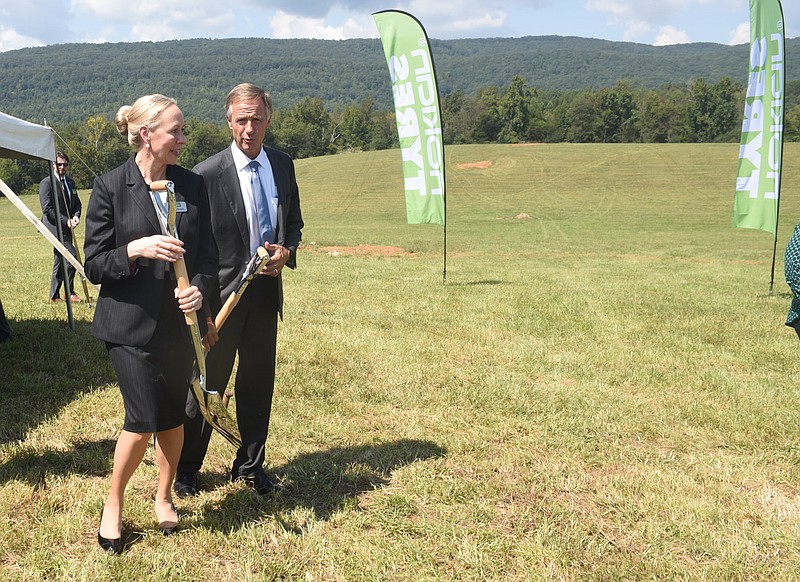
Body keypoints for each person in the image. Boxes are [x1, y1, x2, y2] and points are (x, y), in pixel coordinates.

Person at [83, 94, 218, 553]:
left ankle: (163, 497)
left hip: (178, 327)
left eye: (182, 130)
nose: (183, 138)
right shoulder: (110, 187)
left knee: (171, 416)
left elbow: (207, 256)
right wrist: (135, 250)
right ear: (147, 134)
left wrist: (199, 290)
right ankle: (114, 502)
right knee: (141, 421)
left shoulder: (192, 185)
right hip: (127, 327)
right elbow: (95, 265)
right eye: (175, 131)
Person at [174, 83, 303, 497]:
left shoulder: (282, 165)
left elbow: (294, 224)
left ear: (269, 120)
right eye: (241, 119)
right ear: (229, 121)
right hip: (220, 301)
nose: (249, 128)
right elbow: (193, 246)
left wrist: (287, 251)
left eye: (257, 119)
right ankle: (187, 469)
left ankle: (249, 466)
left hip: (265, 297)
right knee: (207, 383)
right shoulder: (205, 175)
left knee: (257, 383)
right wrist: (203, 306)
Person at [39, 151, 82, 303]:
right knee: (72, 258)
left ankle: (54, 295)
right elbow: (47, 210)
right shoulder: (46, 183)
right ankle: (69, 293)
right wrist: (66, 221)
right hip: (53, 227)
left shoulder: (70, 183)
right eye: (59, 164)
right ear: (53, 165)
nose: (62, 167)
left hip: (67, 227)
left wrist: (76, 216)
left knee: (60, 259)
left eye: (65, 164)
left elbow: (77, 203)